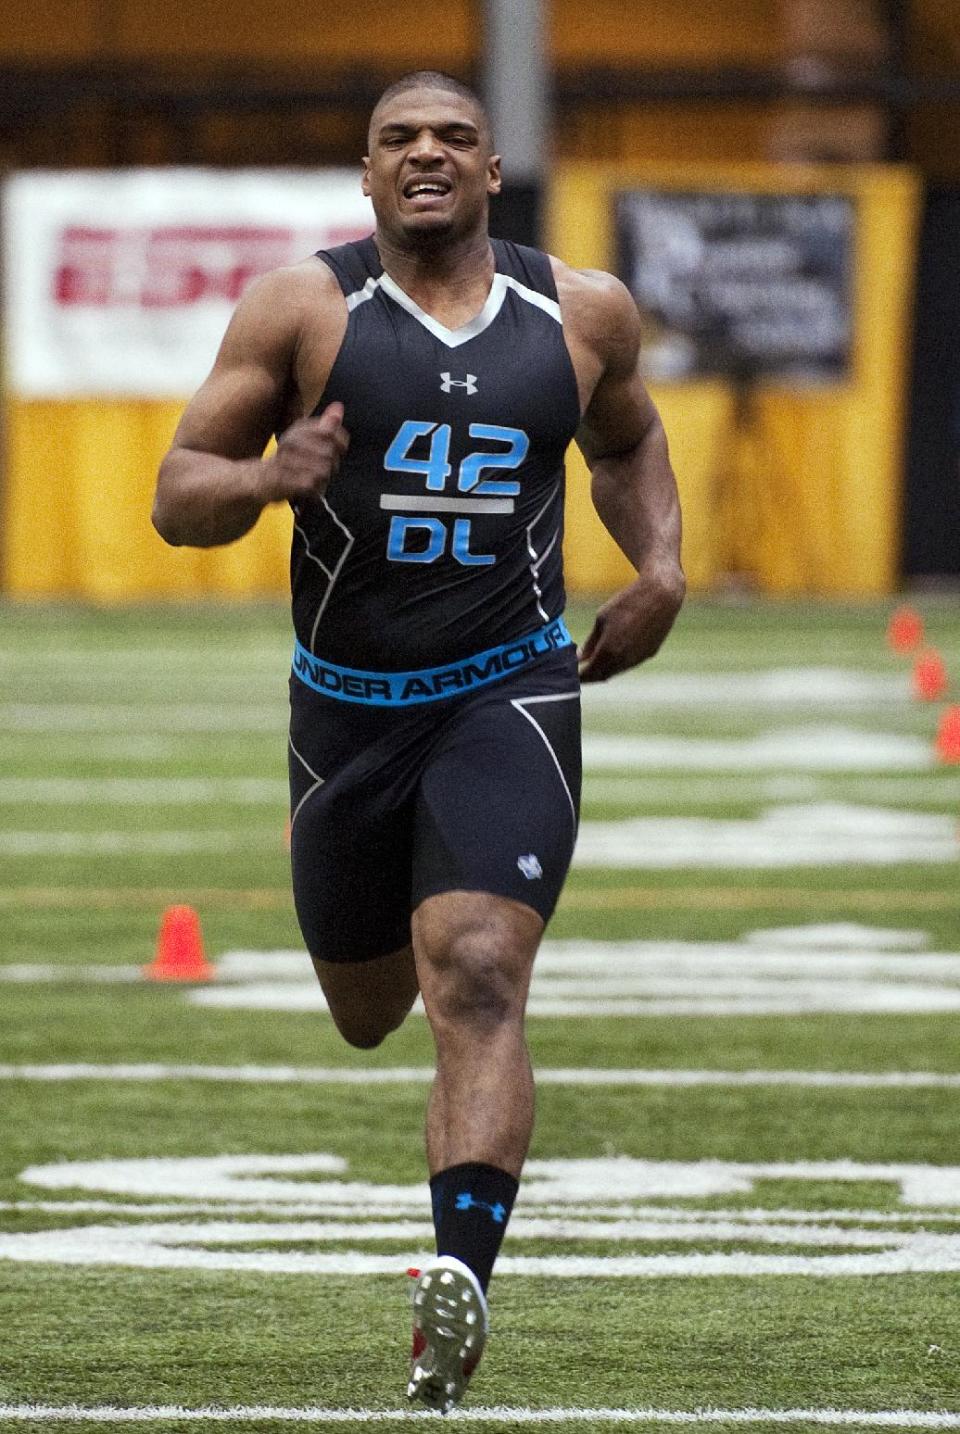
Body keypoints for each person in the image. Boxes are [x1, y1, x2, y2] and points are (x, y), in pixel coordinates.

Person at [152, 70, 684, 1413]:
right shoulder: (304, 310)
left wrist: (662, 567)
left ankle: (460, 1283)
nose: (428, 154)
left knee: (482, 970)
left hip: (507, 685)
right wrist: (265, 478)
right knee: (368, 1008)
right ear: (369, 175)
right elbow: (177, 495)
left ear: (495, 171)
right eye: (402, 140)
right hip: (345, 707)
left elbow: (626, 436)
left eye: (455, 137)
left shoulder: (582, 311)